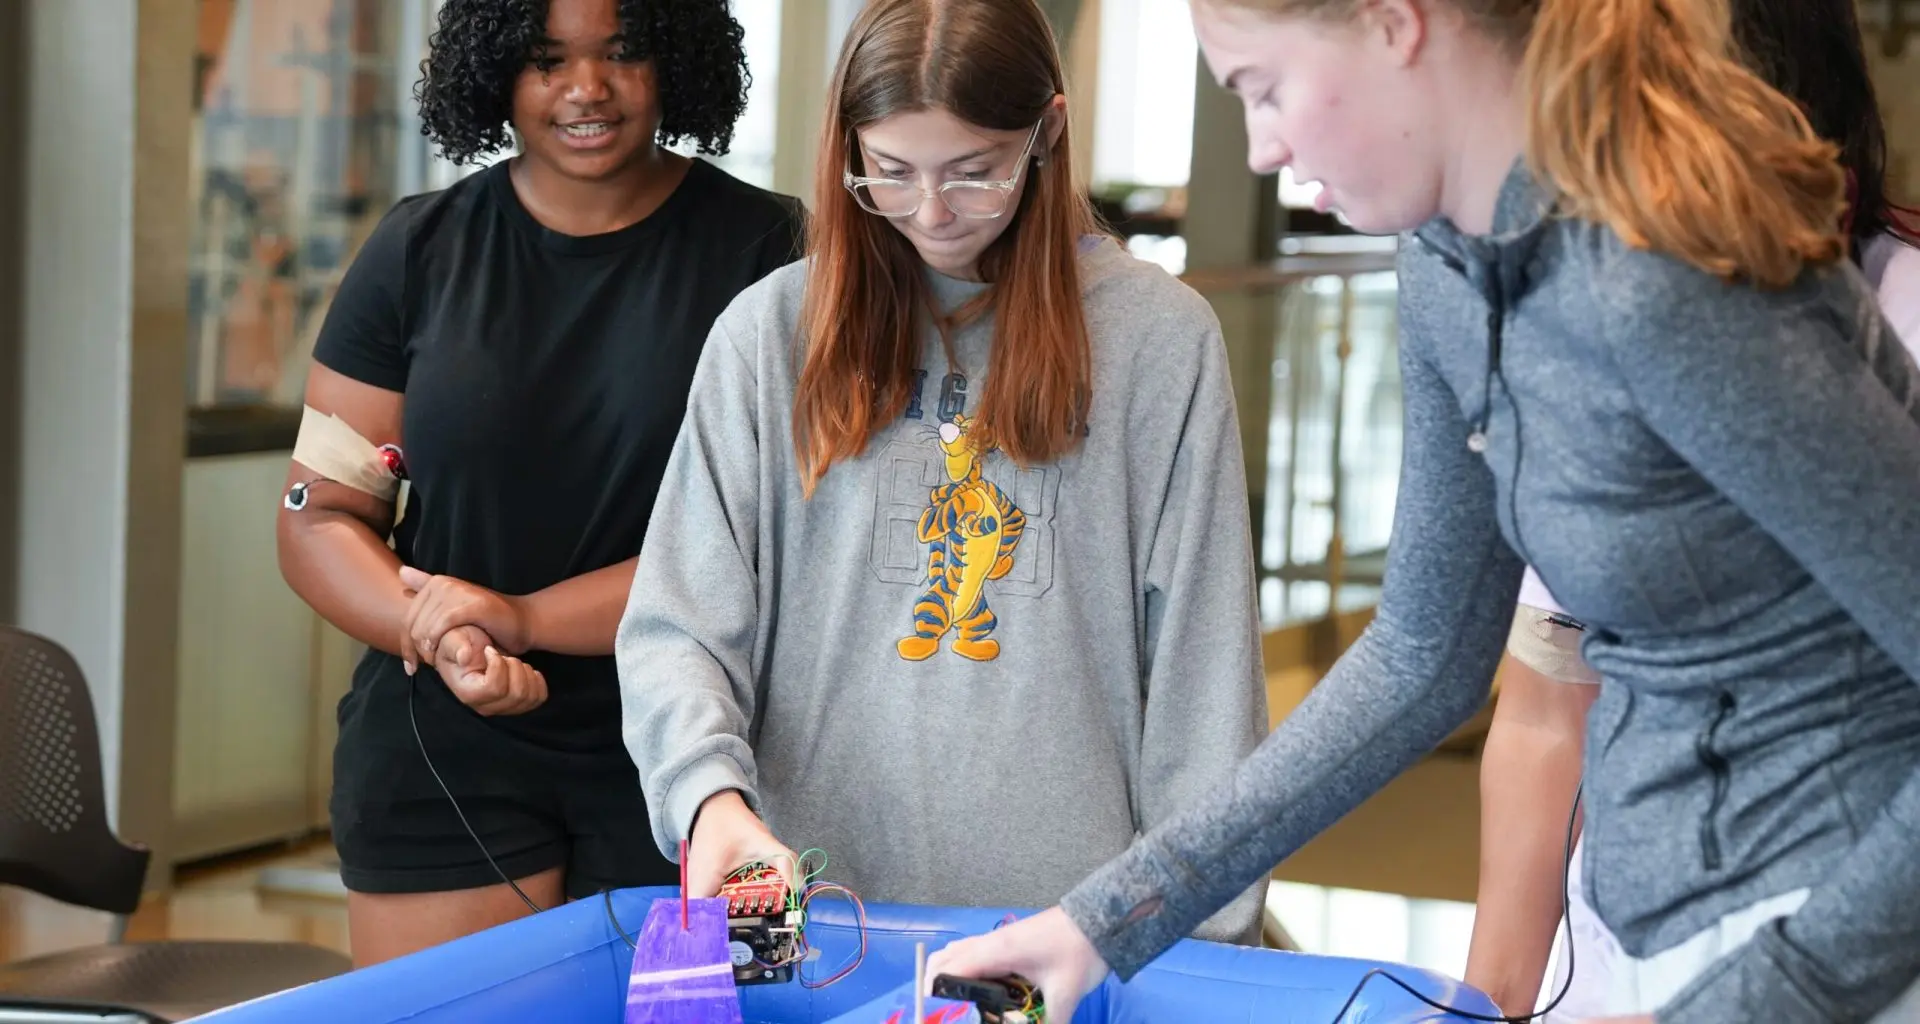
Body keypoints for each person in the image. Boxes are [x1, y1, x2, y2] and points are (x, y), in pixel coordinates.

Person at [926, 0, 1920, 1021]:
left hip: (1839, 935)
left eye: (1264, 90)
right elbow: (1423, 652)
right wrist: (1102, 920)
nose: (1263, 149)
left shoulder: (1664, 279)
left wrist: (1757, 1003)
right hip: (1656, 916)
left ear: (1396, 24)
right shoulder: (1448, 260)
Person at [614, 0, 1268, 944]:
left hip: (1071, 940)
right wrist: (709, 802)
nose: (930, 212)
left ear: (1046, 131)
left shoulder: (1158, 341)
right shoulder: (768, 335)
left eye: (974, 173)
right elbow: (678, 625)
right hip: (818, 928)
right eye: (890, 172)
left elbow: (1205, 689)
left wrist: (1191, 940)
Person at [276, 0, 802, 967]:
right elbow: (320, 513)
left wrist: (519, 617)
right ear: (494, 74)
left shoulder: (775, 257)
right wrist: (443, 635)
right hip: (443, 743)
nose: (586, 90)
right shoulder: (417, 249)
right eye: (546, 61)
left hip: (703, 749)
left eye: (624, 53)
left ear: (679, 60)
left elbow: (770, 554)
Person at [1465, 1, 1920, 1017]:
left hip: (1846, 938)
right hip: (1633, 935)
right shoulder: (1579, 310)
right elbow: (1547, 699)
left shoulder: (1897, 314)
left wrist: (1772, 990)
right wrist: (1488, 999)